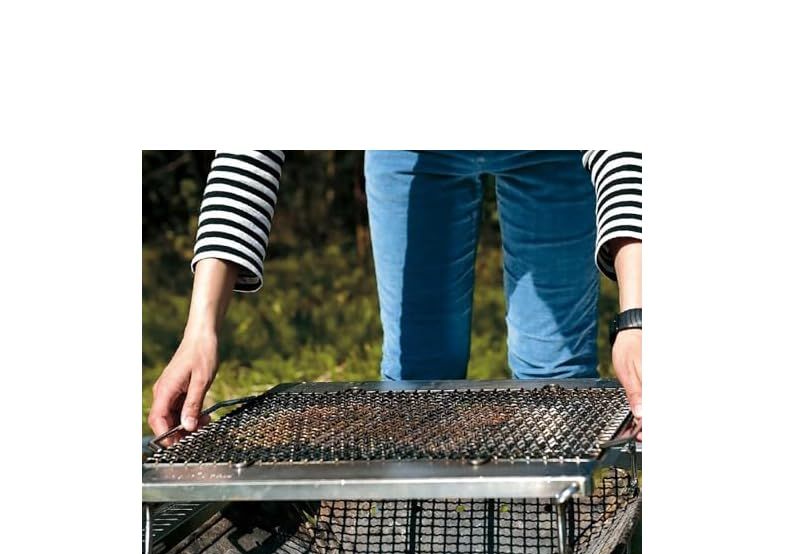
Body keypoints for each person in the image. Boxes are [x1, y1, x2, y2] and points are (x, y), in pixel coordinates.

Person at [148, 150, 642, 441]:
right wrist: (200, 330)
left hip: (552, 151)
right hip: (413, 149)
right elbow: (250, 149)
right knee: (416, 387)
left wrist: (636, 317)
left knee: (556, 386)